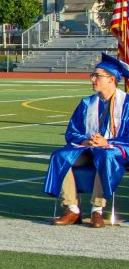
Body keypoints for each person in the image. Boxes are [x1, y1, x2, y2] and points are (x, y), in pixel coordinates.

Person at [43, 53, 129, 228]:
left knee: (105, 156)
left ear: (111, 79)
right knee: (60, 156)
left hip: (119, 150)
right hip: (89, 148)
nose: (92, 79)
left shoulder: (127, 104)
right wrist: (86, 140)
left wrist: (107, 142)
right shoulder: (86, 103)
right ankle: (72, 208)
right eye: (92, 75)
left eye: (97, 76)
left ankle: (97, 210)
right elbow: (72, 132)